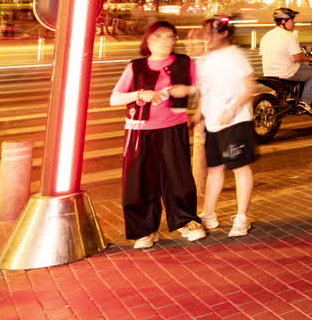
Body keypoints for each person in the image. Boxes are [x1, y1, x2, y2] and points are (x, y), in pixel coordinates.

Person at [109, 21, 204, 249]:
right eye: (162, 36)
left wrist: (188, 90)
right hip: (139, 130)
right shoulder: (136, 67)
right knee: (139, 182)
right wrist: (141, 94)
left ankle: (186, 221)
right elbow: (115, 98)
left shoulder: (185, 63)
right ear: (149, 40)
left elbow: (205, 87)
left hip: (173, 127)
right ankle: (145, 230)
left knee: (178, 178)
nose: (168, 40)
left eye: (172, 36)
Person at [196, 17, 257, 237]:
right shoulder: (205, 59)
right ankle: (209, 214)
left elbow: (250, 86)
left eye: (209, 33)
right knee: (214, 169)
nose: (206, 37)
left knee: (240, 168)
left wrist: (233, 109)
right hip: (212, 122)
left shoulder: (235, 57)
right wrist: (200, 116)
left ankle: (241, 217)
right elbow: (206, 91)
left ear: (223, 33)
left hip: (235, 121)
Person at [260, 7, 312, 114]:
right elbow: (298, 58)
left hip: (268, 73)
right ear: (283, 21)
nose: (294, 23)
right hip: (286, 73)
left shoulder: (266, 36)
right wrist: (309, 58)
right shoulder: (289, 36)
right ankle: (304, 103)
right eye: (292, 20)